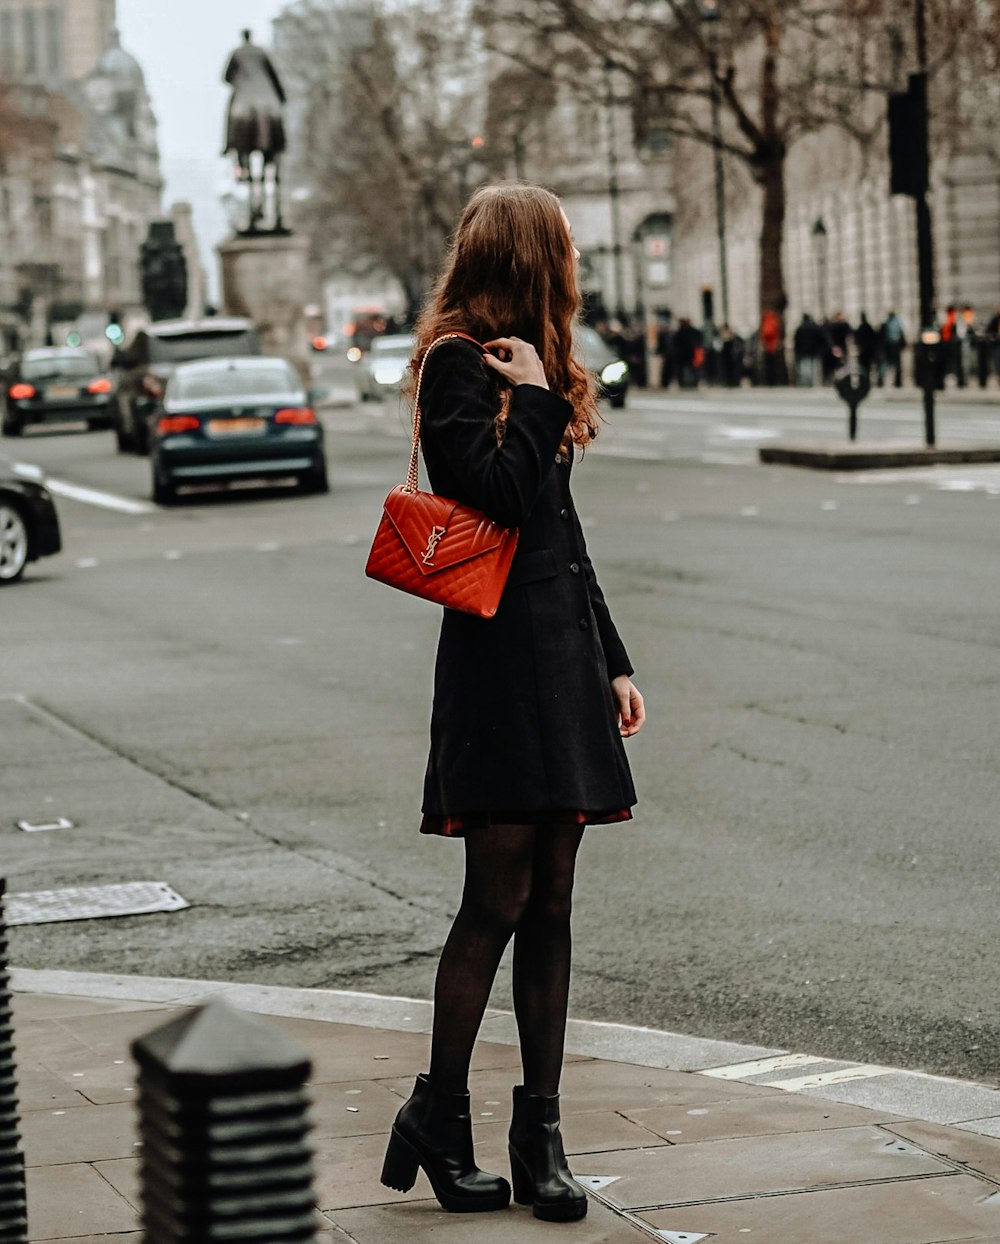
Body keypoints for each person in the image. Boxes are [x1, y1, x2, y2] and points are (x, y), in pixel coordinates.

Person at [380, 183, 645, 1222]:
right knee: (493, 898)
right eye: (563, 246)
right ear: (532, 255)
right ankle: (438, 1112)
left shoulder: (534, 365)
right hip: (496, 668)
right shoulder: (456, 362)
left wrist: (614, 658)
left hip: (561, 660)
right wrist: (531, 395)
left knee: (553, 904)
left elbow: (559, 533)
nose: (572, 261)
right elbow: (489, 495)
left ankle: (540, 1133)